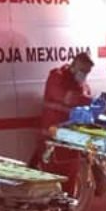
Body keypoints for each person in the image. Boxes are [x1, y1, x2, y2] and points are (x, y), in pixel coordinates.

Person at [35, 52, 94, 193]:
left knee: (69, 182)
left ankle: (68, 206)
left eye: (87, 72)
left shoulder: (82, 85)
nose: (84, 75)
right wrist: (92, 102)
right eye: (83, 70)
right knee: (52, 184)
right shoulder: (57, 77)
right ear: (74, 66)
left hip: (71, 142)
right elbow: (68, 98)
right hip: (52, 139)